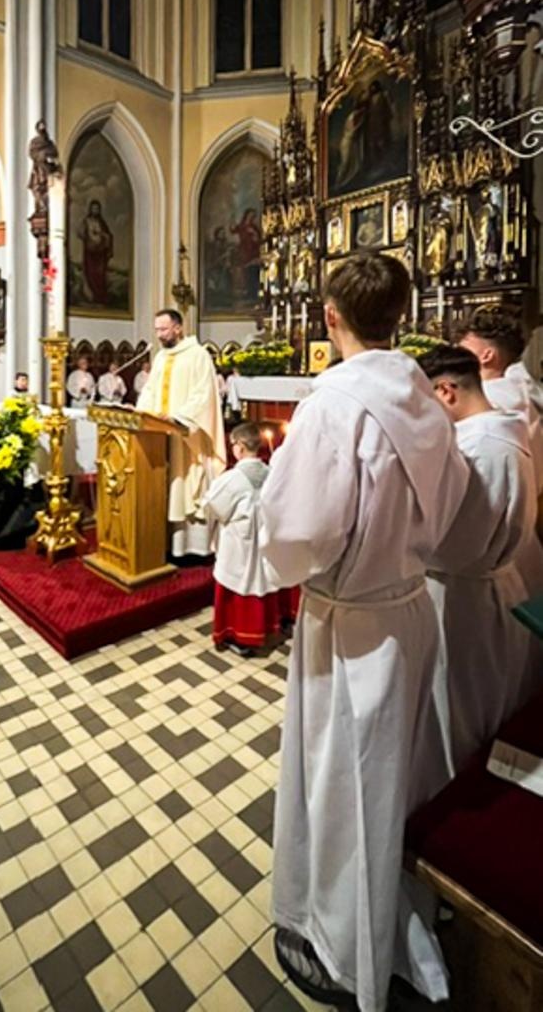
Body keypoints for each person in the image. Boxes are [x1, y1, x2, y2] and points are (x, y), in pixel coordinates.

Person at [258, 253, 469, 1011]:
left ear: (329, 317)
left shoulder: (334, 405)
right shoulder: (422, 395)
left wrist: (265, 518)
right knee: (395, 783)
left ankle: (348, 950)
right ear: (400, 318)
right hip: (409, 608)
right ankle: (386, 921)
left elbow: (301, 528)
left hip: (347, 625)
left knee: (343, 788)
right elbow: (450, 501)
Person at [419, 345, 543, 774]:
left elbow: (456, 545)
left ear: (447, 391)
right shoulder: (501, 431)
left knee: (460, 713)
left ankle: (451, 800)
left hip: (463, 599)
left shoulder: (481, 448)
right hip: (488, 587)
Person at [136, 309, 226, 561]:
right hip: (159, 434)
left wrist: (178, 417)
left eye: (163, 329)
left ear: (177, 327)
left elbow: (204, 394)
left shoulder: (198, 355)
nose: (159, 335)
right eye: (156, 330)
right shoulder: (162, 358)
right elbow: (151, 389)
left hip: (187, 436)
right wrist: (142, 412)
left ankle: (192, 548)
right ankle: (165, 544)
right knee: (166, 484)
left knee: (185, 483)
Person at [201, 421, 292, 654]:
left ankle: (241, 636)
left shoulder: (231, 480)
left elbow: (213, 507)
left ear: (240, 447)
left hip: (241, 546)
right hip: (266, 543)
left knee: (241, 583)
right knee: (263, 581)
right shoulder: (272, 473)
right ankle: (270, 627)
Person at [458, 305, 543, 499]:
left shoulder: (487, 400)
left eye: (464, 349)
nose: (457, 355)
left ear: (487, 355)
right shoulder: (519, 392)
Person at [79, 200, 114, 305]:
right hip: (90, 252)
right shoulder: (86, 221)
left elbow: (109, 236)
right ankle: (92, 295)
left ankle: (100, 297)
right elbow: (80, 233)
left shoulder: (102, 223)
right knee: (91, 273)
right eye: (93, 208)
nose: (95, 210)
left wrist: (104, 236)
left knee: (100, 274)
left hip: (100, 253)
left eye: (97, 209)